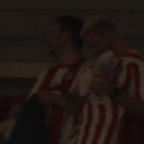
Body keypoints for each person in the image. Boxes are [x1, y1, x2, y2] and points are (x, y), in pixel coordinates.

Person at [46, 17, 144, 144]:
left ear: (108, 37)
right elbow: (81, 108)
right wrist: (68, 96)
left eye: (94, 45)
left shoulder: (135, 65)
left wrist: (114, 92)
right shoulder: (94, 66)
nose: (94, 51)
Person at [6, 14, 85, 144]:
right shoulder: (48, 73)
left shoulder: (86, 71)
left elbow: (87, 109)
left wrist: (55, 99)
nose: (47, 38)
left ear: (65, 37)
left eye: (53, 32)